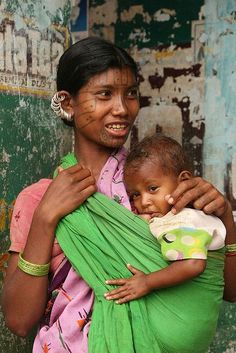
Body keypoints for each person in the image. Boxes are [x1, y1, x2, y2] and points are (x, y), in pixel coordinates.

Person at [1, 37, 236, 353]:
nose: (122, 109)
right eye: (104, 95)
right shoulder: (38, 199)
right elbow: (18, 320)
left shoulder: (161, 189)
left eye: (131, 95)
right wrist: (46, 218)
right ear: (68, 103)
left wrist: (224, 220)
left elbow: (229, 291)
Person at [104, 134, 226, 304]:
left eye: (152, 189)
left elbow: (193, 264)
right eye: (136, 195)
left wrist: (147, 282)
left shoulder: (183, 220)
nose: (144, 202)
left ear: (183, 181)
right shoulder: (174, 218)